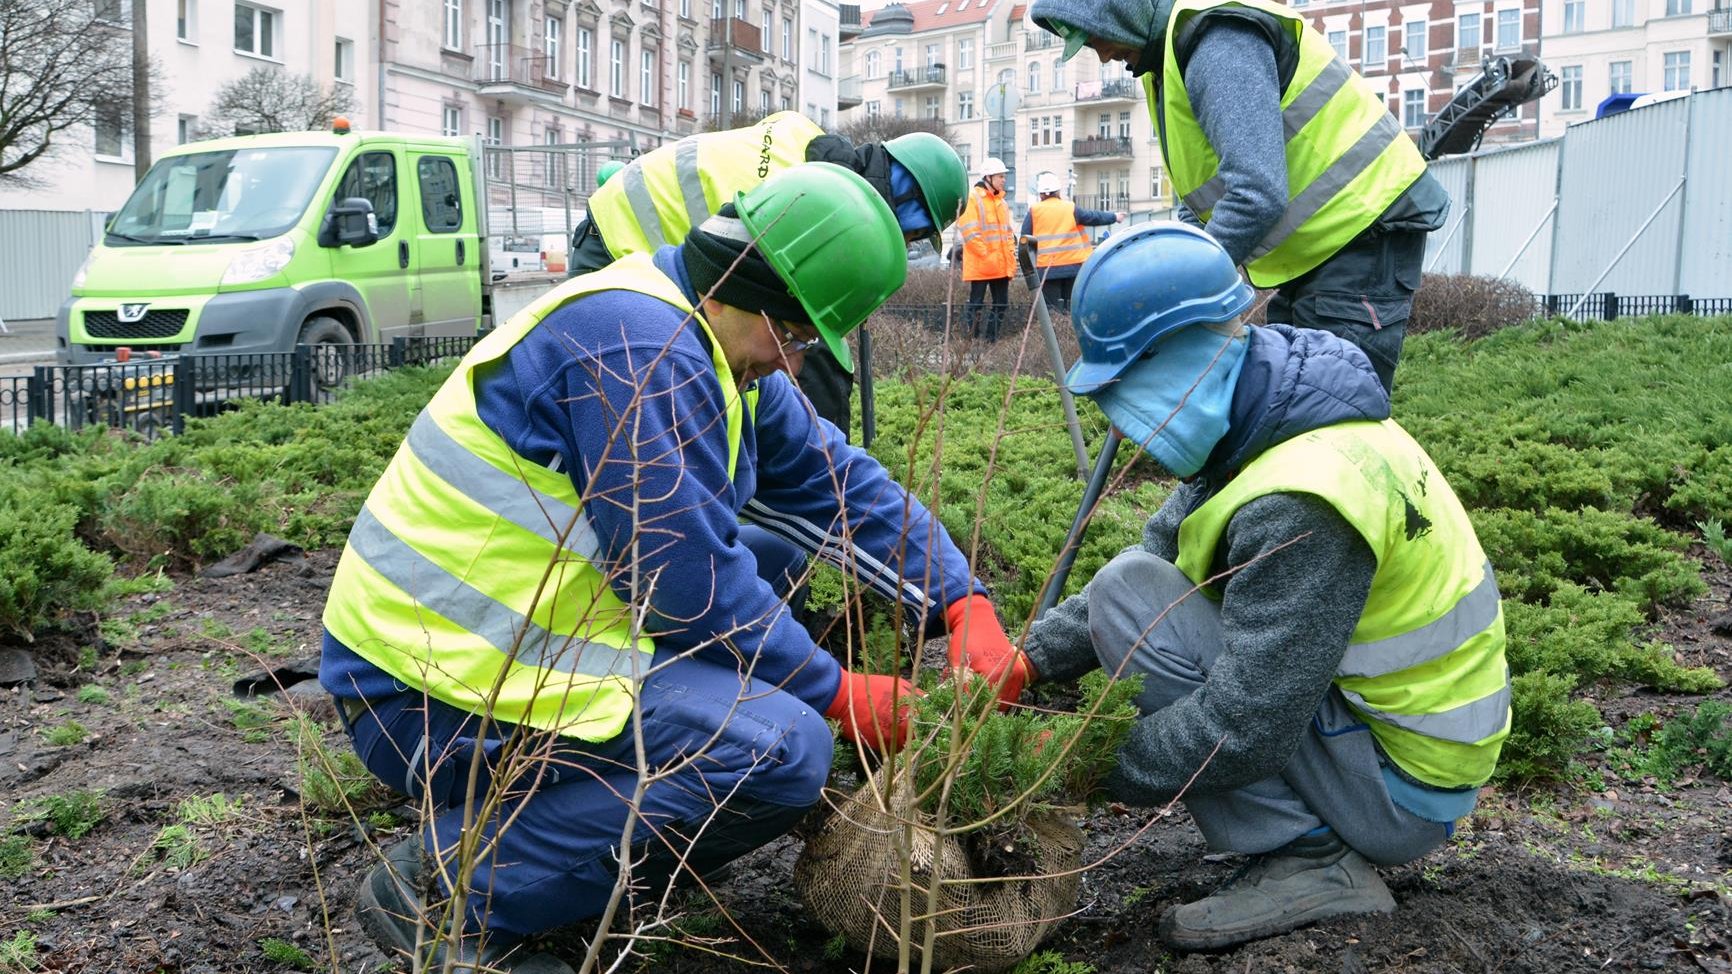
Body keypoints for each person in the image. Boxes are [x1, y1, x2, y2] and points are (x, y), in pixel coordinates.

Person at [320, 163, 1027, 973]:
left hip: (493, 655)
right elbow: (687, 589)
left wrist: (960, 599)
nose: (795, 364)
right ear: (740, 286)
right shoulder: (640, 349)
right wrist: (838, 694)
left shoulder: (711, 332)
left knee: (773, 557)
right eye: (793, 337)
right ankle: (449, 892)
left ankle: (577, 836)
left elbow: (836, 479)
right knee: (781, 748)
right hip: (424, 699)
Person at [1018, 223, 1509, 950]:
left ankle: (1311, 859)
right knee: (1130, 587)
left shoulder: (1302, 498)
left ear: (1184, 356)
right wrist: (1025, 660)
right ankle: (1306, 837)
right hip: (1377, 739)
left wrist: (1075, 764)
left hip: (1400, 788)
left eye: (1124, 385)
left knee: (1147, 610)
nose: (1119, 416)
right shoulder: (1264, 418)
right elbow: (1149, 565)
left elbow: (1241, 728)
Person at [1027, 0, 1451, 393]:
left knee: (1332, 411)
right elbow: (1202, 198)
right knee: (1293, 404)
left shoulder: (1216, 46)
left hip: (1360, 232)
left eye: (1095, 36)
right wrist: (1179, 259)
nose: (1101, 56)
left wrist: (1179, 289)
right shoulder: (1171, 60)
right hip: (1321, 249)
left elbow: (1257, 193)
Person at [566, 111, 968, 437]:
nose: (902, 242)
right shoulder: (813, 201)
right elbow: (807, 342)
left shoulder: (804, 142)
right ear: (905, 204)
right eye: (912, 234)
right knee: (634, 416)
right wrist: (827, 457)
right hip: (619, 243)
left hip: (621, 228)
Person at [1018, 170, 1124, 312]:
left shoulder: (1034, 211)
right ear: (1058, 191)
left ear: (1041, 194)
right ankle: (1069, 333)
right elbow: (1093, 217)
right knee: (1072, 309)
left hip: (1047, 271)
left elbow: (1025, 240)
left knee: (1052, 312)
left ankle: (1056, 334)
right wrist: (1114, 217)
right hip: (1073, 268)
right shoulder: (1070, 208)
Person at [957, 157, 1016, 341]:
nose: (1003, 180)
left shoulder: (1002, 203)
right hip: (982, 264)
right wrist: (987, 255)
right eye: (1000, 176)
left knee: (1001, 304)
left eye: (1003, 176)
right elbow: (970, 233)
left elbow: (1008, 234)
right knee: (976, 305)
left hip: (999, 264)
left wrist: (1009, 256)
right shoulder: (973, 198)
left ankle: (990, 340)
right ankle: (971, 343)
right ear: (989, 177)